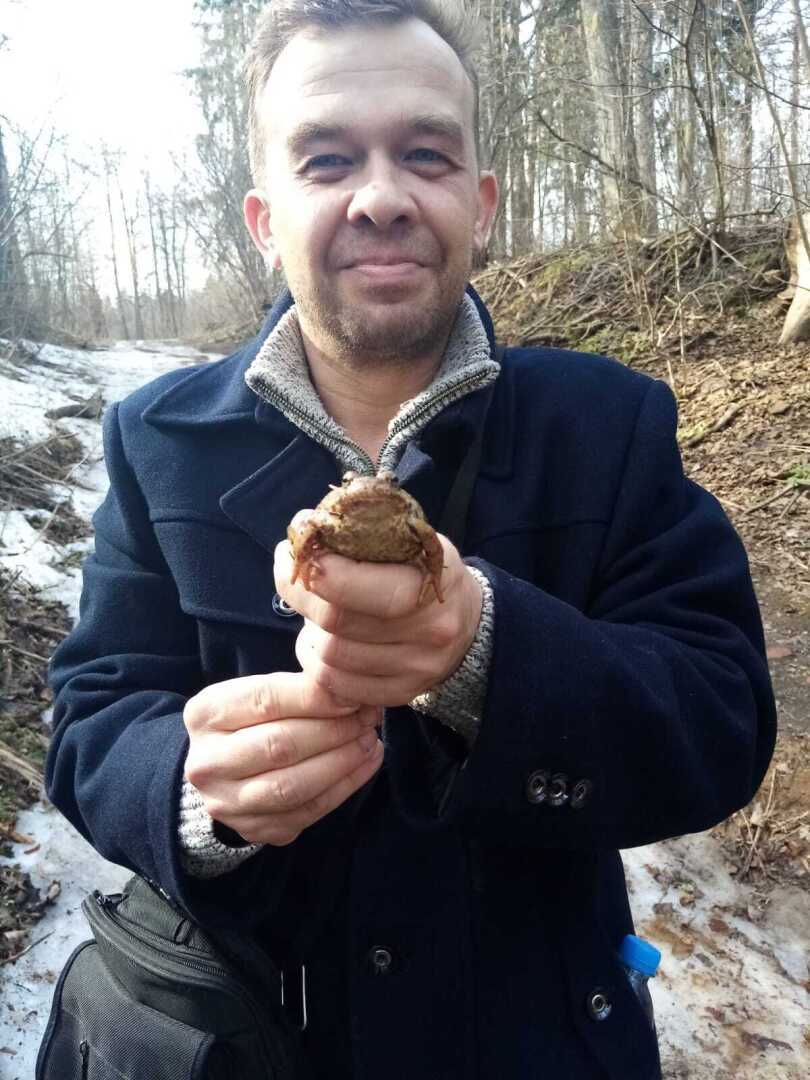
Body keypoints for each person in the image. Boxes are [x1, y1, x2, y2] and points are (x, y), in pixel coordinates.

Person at [46, 2, 776, 1077]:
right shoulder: (157, 441)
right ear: (263, 217)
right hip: (252, 1040)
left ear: (480, 204)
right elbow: (90, 717)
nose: (381, 198)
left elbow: (723, 717)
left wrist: (488, 654)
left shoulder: (609, 428)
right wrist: (189, 789)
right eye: (327, 158)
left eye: (425, 154)